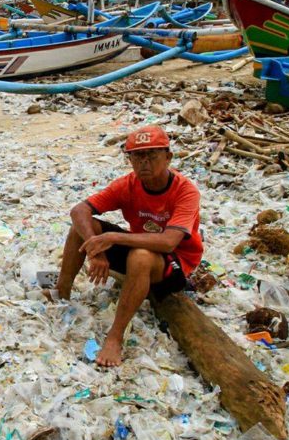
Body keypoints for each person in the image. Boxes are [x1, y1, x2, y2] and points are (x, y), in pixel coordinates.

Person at [48, 125, 203, 367]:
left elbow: (168, 241)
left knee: (140, 256)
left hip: (174, 262)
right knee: (81, 228)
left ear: (168, 157)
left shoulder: (185, 191)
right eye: (138, 156)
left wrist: (113, 239)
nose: (145, 163)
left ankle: (115, 336)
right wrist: (95, 249)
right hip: (138, 246)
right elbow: (79, 210)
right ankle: (62, 291)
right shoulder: (128, 184)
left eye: (152, 155)